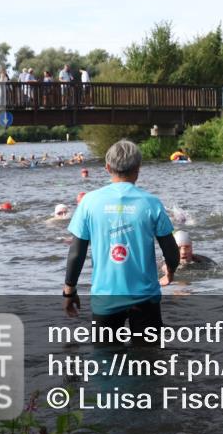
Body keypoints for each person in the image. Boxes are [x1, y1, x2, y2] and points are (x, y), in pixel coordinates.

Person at [62, 140, 180, 338]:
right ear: (138, 168)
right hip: (145, 299)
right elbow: (171, 251)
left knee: (105, 360)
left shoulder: (89, 202)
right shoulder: (151, 203)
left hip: (105, 299)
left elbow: (76, 253)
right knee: (148, 360)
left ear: (107, 168)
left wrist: (69, 291)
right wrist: (170, 271)